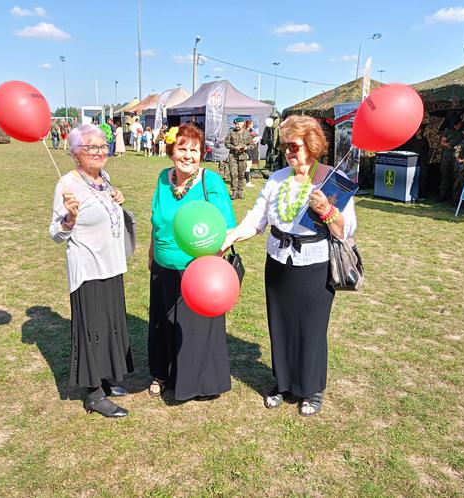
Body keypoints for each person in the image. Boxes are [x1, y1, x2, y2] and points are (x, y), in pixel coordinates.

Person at [221, 115, 357, 417]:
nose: (288, 152)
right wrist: (228, 238)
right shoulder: (276, 179)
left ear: (311, 145)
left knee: (311, 328)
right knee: (280, 324)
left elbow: (345, 231)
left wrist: (327, 210)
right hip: (278, 262)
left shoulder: (333, 179)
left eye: (294, 146)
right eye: (285, 147)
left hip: (314, 265)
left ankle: (312, 389)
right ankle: (282, 383)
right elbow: (256, 220)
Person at [49, 124, 134, 418]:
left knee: (109, 325)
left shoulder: (103, 178)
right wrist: (69, 220)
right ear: (75, 154)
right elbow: (55, 233)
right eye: (91, 148)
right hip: (88, 269)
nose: (100, 152)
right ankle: (94, 394)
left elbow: (106, 208)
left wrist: (117, 199)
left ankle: (107, 380)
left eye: (102, 146)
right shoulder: (67, 185)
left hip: (111, 264)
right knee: (92, 330)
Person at [147, 124, 236, 401]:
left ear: (201, 154)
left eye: (194, 150)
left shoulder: (211, 182)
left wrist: (214, 263)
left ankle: (196, 382)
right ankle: (162, 374)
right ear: (171, 151)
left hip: (197, 272)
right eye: (182, 149)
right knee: (163, 323)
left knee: (194, 328)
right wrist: (151, 253)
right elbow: (156, 219)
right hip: (164, 265)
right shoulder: (164, 178)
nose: (187, 155)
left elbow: (227, 228)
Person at [225, 116, 254, 200]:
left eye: (238, 124)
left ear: (243, 124)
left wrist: (246, 148)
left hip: (243, 157)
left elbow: (252, 145)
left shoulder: (247, 133)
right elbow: (226, 143)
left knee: (241, 175)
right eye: (235, 124)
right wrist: (235, 147)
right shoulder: (231, 133)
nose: (236, 126)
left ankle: (240, 191)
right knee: (233, 175)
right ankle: (234, 192)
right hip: (233, 157)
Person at [398, 124, 431, 197]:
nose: (419, 131)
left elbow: (427, 151)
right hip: (412, 161)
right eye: (418, 129)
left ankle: (421, 194)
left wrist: (426, 160)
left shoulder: (424, 140)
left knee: (422, 177)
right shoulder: (411, 139)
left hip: (422, 161)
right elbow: (407, 150)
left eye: (420, 129)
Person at [438, 116, 464, 202]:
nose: (461, 124)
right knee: (445, 175)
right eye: (460, 123)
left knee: (455, 176)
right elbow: (442, 142)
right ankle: (442, 195)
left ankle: (453, 197)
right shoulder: (448, 130)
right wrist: (448, 145)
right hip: (447, 156)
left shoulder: (462, 131)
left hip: (457, 156)